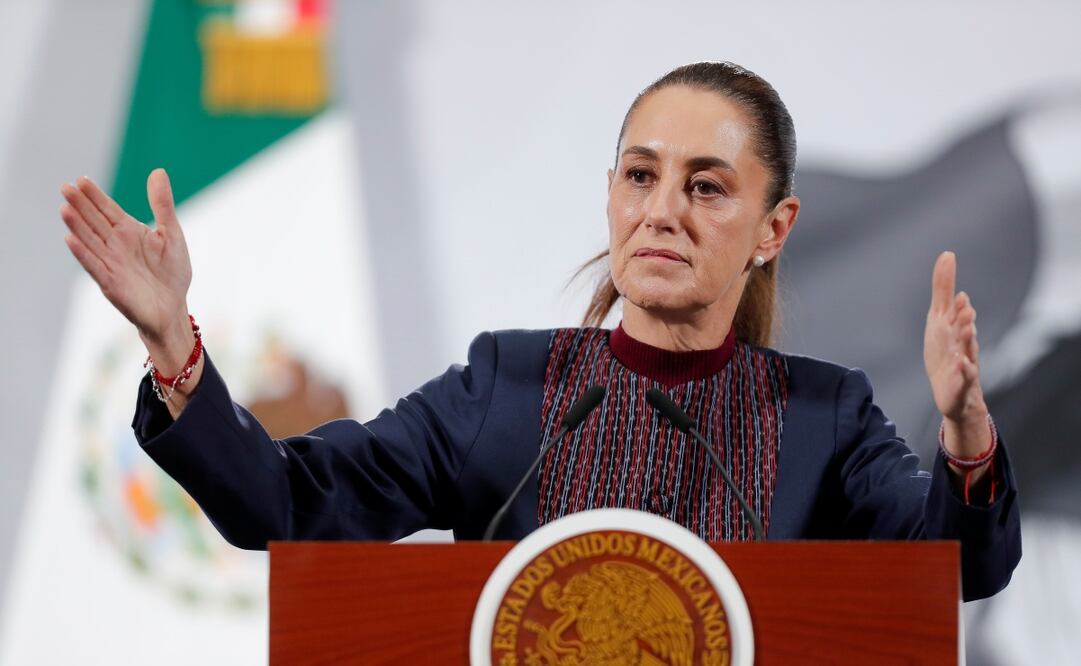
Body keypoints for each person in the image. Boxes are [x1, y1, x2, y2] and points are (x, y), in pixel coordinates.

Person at [58, 62, 1019, 601]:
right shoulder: (506, 390)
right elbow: (289, 508)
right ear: (609, 195)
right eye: (639, 176)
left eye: (706, 186)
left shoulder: (826, 417)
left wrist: (967, 433)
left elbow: (958, 568)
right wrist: (172, 349)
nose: (662, 211)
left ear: (774, 230)